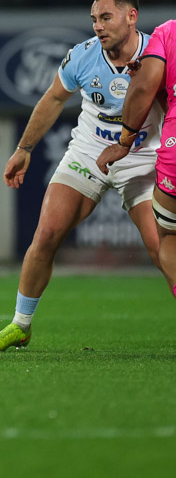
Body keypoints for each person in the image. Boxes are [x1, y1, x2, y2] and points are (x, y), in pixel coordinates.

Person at [0, 0, 163, 351]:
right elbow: (53, 99)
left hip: (142, 158)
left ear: (132, 16)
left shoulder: (159, 54)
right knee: (46, 234)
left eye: (106, 17)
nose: (98, 26)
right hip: (89, 152)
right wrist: (23, 149)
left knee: (161, 246)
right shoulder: (82, 57)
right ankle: (21, 324)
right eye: (94, 18)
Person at [95, 21, 176, 299]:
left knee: (168, 237)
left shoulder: (167, 33)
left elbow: (144, 89)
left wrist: (124, 142)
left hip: (174, 152)